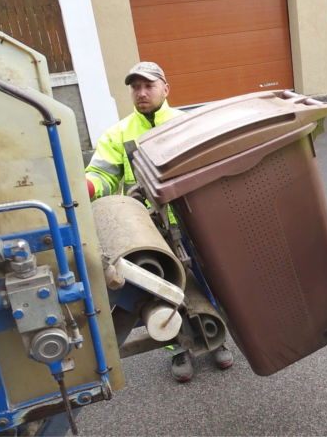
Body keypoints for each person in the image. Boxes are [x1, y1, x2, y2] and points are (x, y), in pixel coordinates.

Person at [85, 61, 233, 382]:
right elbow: (102, 175)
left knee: (207, 282)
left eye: (148, 85)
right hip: (148, 230)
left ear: (165, 89)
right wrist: (90, 186)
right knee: (162, 292)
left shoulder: (187, 125)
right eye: (135, 87)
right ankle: (178, 347)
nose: (141, 92)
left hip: (194, 223)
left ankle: (216, 338)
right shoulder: (118, 134)